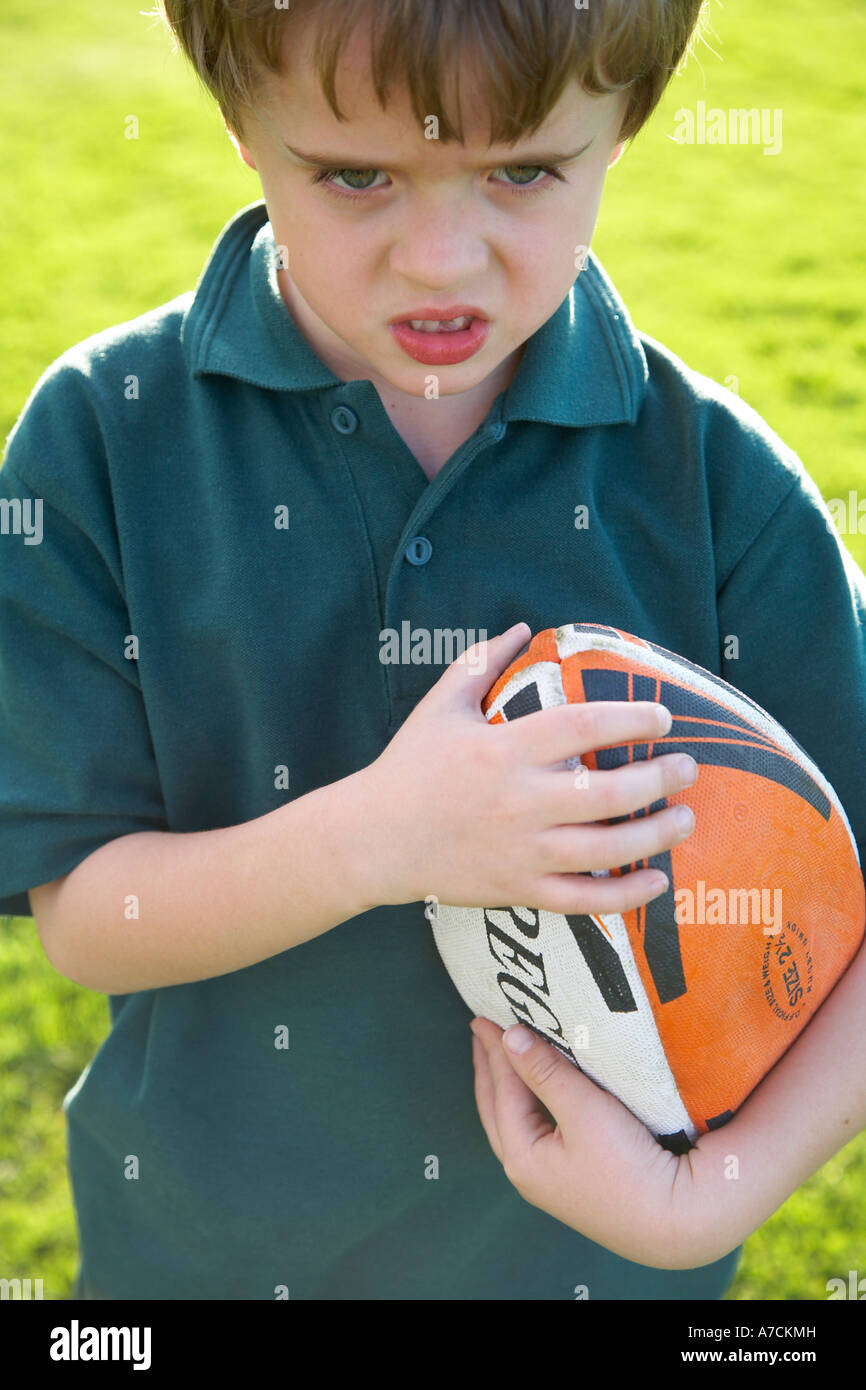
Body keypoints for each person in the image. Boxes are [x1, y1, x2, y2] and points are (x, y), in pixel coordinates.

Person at [1, 0, 864, 1301]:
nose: (441, 258)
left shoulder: (716, 486)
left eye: (520, 171)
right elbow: (86, 915)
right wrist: (380, 839)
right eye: (356, 176)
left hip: (593, 1272)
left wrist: (710, 1201)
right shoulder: (102, 439)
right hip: (207, 1259)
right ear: (242, 120)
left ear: (618, 121)